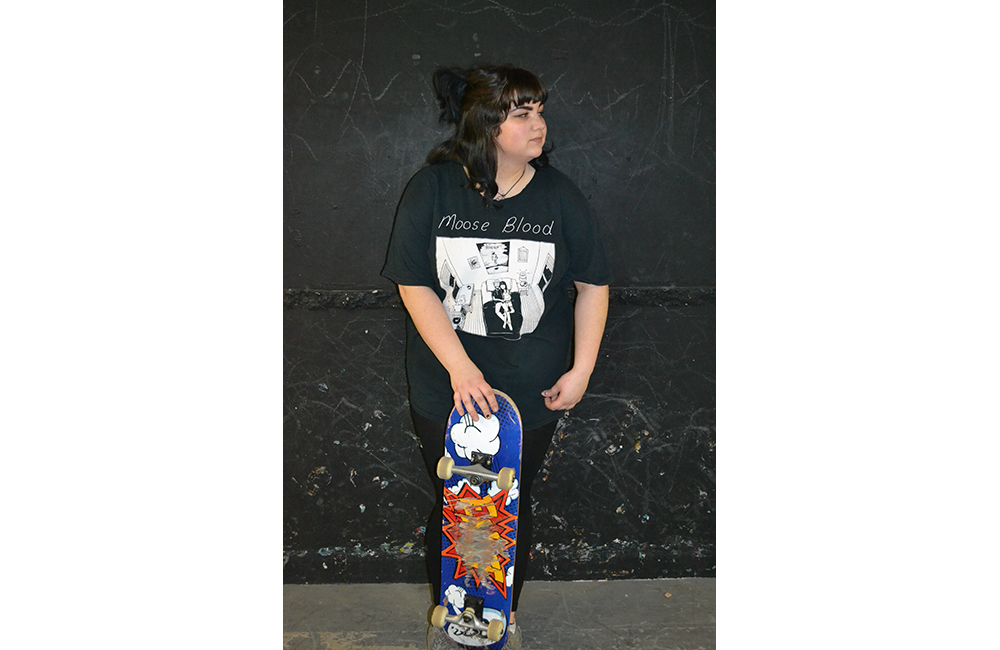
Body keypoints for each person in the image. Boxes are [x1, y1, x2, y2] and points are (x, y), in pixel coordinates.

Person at [381, 64, 612, 647]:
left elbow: (593, 284)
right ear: (486, 125)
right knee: (457, 502)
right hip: (446, 386)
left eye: (540, 111)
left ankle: (500, 616)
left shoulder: (560, 196)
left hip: (529, 391)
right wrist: (462, 369)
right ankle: (454, 617)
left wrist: (582, 369)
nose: (539, 124)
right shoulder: (433, 189)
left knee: (508, 502)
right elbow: (414, 283)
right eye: (522, 113)